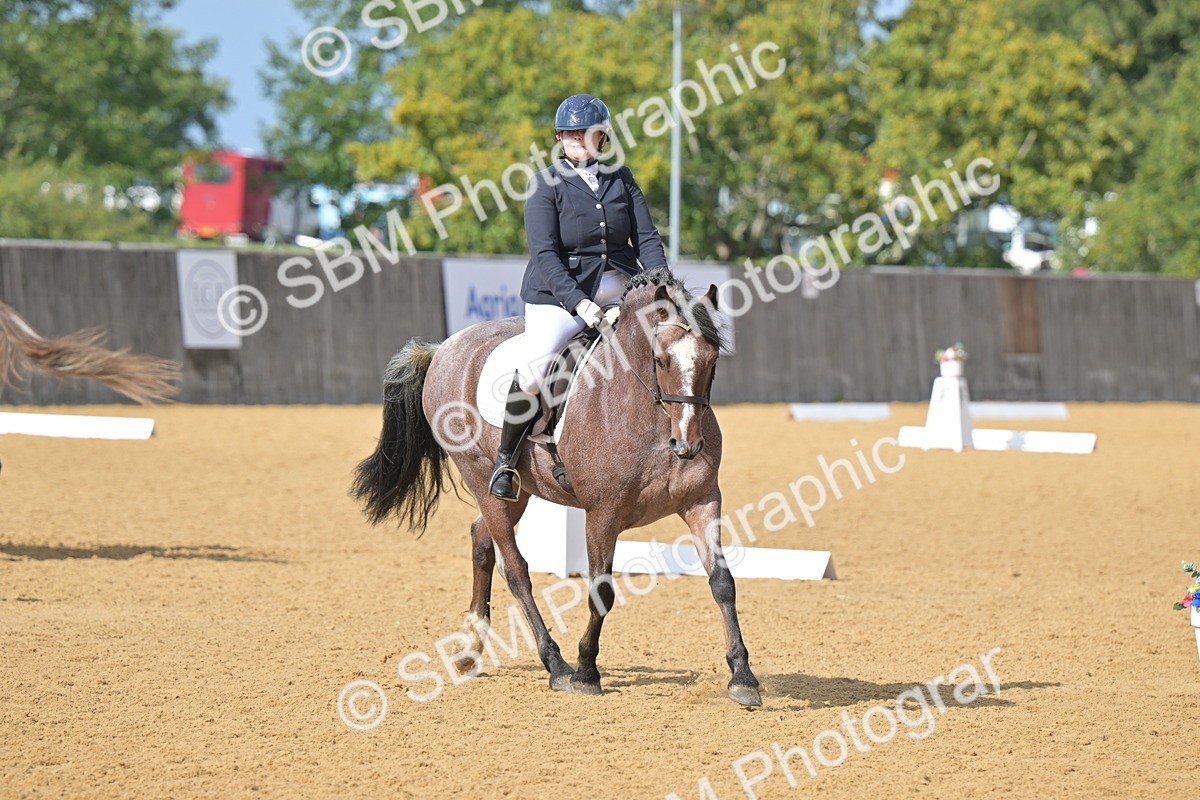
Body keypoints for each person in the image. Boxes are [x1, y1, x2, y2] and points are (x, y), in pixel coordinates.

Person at [489, 93, 669, 501]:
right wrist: (579, 303)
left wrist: (661, 282)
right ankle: (505, 459)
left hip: (618, 283)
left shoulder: (621, 178)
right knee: (536, 370)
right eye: (570, 134)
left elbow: (645, 237)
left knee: (670, 341)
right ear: (559, 138)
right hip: (557, 293)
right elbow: (545, 254)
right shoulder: (544, 185)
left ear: (601, 138)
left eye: (586, 134)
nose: (577, 140)